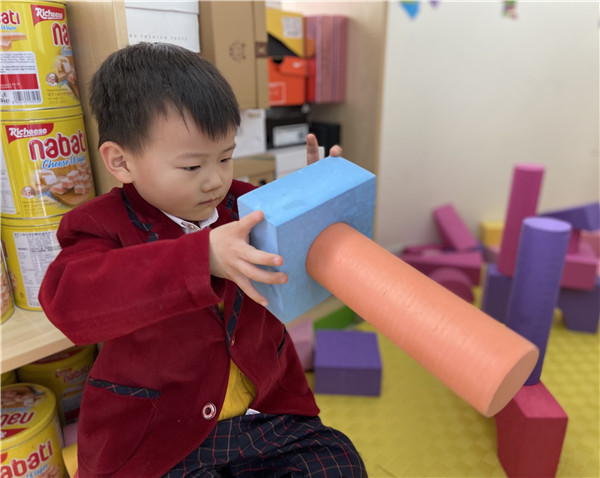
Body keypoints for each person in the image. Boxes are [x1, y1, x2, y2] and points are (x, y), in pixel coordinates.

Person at [39, 42, 366, 478]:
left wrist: (310, 203)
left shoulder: (247, 204)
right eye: (192, 168)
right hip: (160, 433)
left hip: (264, 414)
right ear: (121, 162)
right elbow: (70, 302)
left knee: (338, 463)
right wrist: (200, 257)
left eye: (226, 157)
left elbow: (295, 265)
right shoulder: (100, 224)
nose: (215, 180)